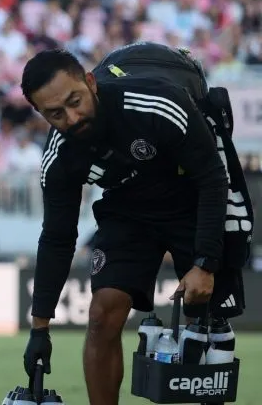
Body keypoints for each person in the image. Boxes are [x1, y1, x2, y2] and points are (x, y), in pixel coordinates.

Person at [20, 44, 253, 405]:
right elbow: (57, 238)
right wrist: (40, 327)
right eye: (55, 114)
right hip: (127, 208)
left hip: (191, 196)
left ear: (91, 82)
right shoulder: (60, 157)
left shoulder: (156, 103)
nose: (72, 117)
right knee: (101, 315)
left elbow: (211, 177)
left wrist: (205, 263)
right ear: (40, 115)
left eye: (75, 100)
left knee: (203, 322)